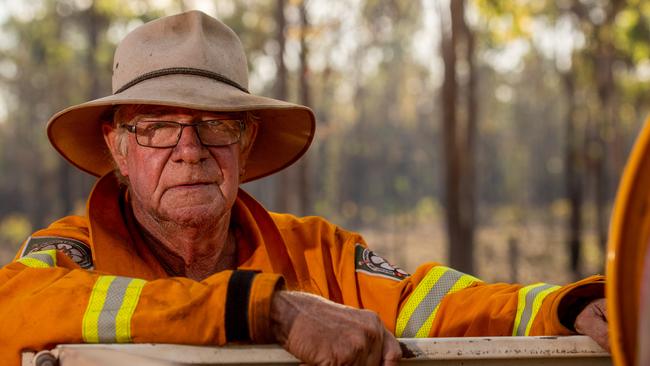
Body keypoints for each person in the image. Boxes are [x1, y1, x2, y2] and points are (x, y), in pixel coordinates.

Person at [0, 10, 608, 365]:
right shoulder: (64, 257)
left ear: (244, 142)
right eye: (158, 127)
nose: (190, 149)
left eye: (215, 124)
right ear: (118, 148)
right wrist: (270, 311)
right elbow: (12, 311)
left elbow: (437, 305)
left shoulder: (321, 253)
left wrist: (565, 306)